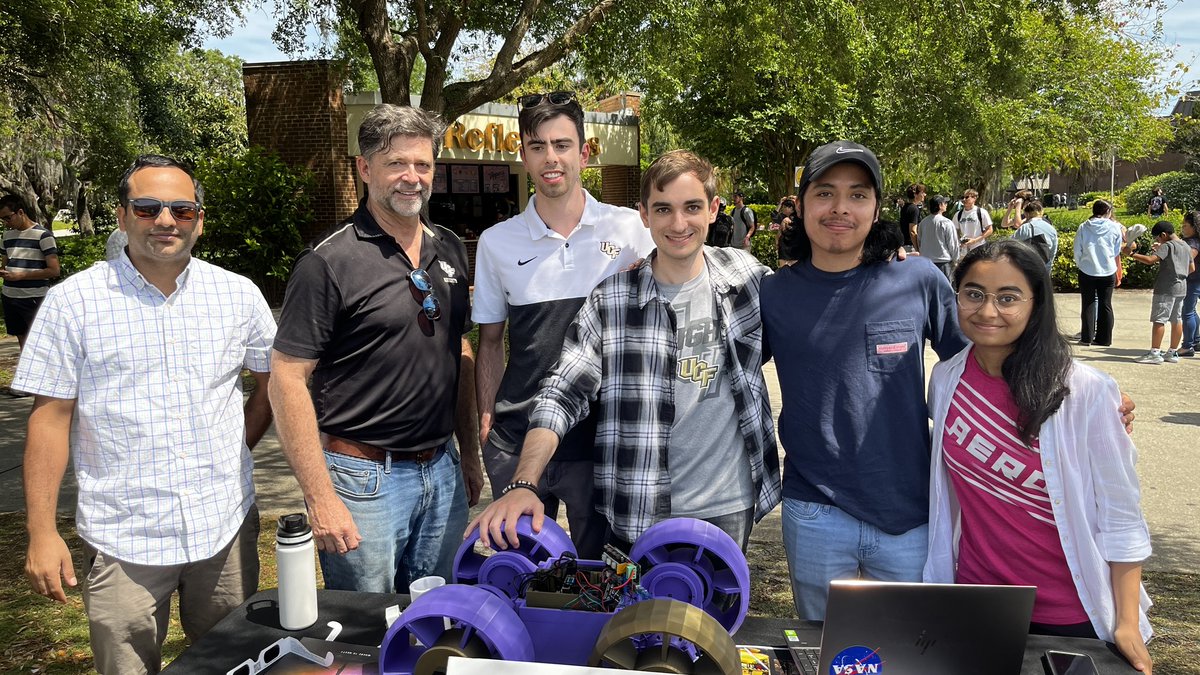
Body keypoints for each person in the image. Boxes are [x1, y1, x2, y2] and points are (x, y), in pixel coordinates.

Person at [18, 155, 275, 674]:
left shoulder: (238, 295)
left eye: (182, 209)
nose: (165, 220)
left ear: (198, 219)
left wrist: (235, 445)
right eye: (148, 207)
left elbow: (275, 382)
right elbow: (49, 419)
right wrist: (41, 532)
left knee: (233, 662)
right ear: (122, 216)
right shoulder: (74, 302)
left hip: (222, 526)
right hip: (123, 535)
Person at [468, 150, 781, 552]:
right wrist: (524, 481)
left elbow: (814, 311)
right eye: (663, 209)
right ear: (644, 215)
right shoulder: (611, 300)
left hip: (727, 505)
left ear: (714, 209)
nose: (679, 223)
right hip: (638, 509)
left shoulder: (749, 281)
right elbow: (562, 393)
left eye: (692, 207)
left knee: (716, 616)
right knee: (631, 617)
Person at [270, 104, 480, 593]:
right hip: (364, 481)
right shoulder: (328, 261)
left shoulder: (448, 247)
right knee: (365, 633)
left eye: (423, 165)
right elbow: (286, 377)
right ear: (365, 169)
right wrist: (319, 496)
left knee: (435, 621)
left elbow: (460, 351)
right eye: (396, 164)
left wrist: (469, 454)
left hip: (441, 471)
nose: (412, 177)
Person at [925, 240, 1153, 674]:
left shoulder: (1085, 391)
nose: (987, 311)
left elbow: (1121, 516)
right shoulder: (944, 379)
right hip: (975, 605)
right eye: (973, 294)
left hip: (1069, 614)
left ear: (1036, 303)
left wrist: (1125, 623)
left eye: (1007, 297)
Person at [761, 141, 967, 621]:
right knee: (826, 650)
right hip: (814, 510)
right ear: (803, 204)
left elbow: (981, 366)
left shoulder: (916, 279)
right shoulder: (773, 293)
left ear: (877, 207)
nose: (839, 208)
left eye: (857, 195)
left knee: (910, 651)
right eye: (825, 193)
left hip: (909, 512)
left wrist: (1077, 396)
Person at [472, 92, 654, 558]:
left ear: (584, 152)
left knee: (603, 580)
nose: (550, 158)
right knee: (522, 579)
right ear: (523, 155)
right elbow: (490, 341)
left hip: (602, 442)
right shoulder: (496, 242)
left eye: (562, 144)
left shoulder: (631, 230)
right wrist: (486, 418)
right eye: (537, 146)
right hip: (516, 441)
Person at [1124, 221, 1193, 364]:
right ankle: (1172, 352)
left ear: (1163, 235)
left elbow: (1150, 260)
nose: (1157, 241)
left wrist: (1131, 254)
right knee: (1177, 319)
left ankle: (1155, 352)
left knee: (1159, 319)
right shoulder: (1186, 246)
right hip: (1182, 287)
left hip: (1165, 288)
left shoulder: (1167, 246)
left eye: (1157, 238)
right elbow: (1191, 268)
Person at [0, 194, 60, 358]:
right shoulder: (6, 236)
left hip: (34, 298)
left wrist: (21, 275)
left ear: (20, 212)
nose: (6, 223)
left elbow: (54, 271)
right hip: (10, 296)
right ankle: (26, 377)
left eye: (7, 218)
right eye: (2, 220)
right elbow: (5, 265)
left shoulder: (43, 235)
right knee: (23, 340)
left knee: (41, 342)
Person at [1072, 199, 1123, 347]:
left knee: (1088, 303)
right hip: (1108, 269)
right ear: (1108, 212)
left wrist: (1081, 263)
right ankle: (1105, 338)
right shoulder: (1114, 227)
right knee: (1106, 304)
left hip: (1087, 269)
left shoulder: (1083, 227)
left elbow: (1077, 249)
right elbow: (1116, 249)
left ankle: (1087, 338)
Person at [916, 194, 959, 279]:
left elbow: (919, 241)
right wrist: (955, 260)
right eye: (944, 203)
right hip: (943, 263)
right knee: (944, 290)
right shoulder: (946, 222)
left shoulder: (923, 222)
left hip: (926, 263)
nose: (946, 205)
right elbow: (952, 244)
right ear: (940, 205)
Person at [1010, 200, 1059, 271]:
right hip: (1044, 269)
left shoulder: (1025, 227)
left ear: (1027, 214)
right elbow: (1053, 252)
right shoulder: (1051, 228)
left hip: (1027, 270)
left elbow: (1010, 244)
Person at [1180, 211, 1200, 357]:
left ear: (1194, 227)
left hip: (1193, 280)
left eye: (1185, 225)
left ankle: (1187, 346)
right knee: (1191, 311)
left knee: (1187, 312)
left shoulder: (1192, 242)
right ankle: (1196, 340)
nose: (1182, 228)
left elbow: (1189, 260)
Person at [952, 188, 993, 253]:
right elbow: (954, 231)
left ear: (974, 198)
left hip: (979, 248)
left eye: (967, 197)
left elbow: (990, 230)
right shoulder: (958, 215)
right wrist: (959, 241)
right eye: (963, 197)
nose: (964, 199)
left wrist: (975, 240)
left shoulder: (981, 212)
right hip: (964, 251)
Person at [899, 183, 926, 250]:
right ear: (915, 194)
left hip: (904, 245)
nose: (924, 194)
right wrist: (917, 249)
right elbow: (913, 231)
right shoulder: (914, 209)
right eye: (922, 192)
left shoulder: (905, 207)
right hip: (911, 246)